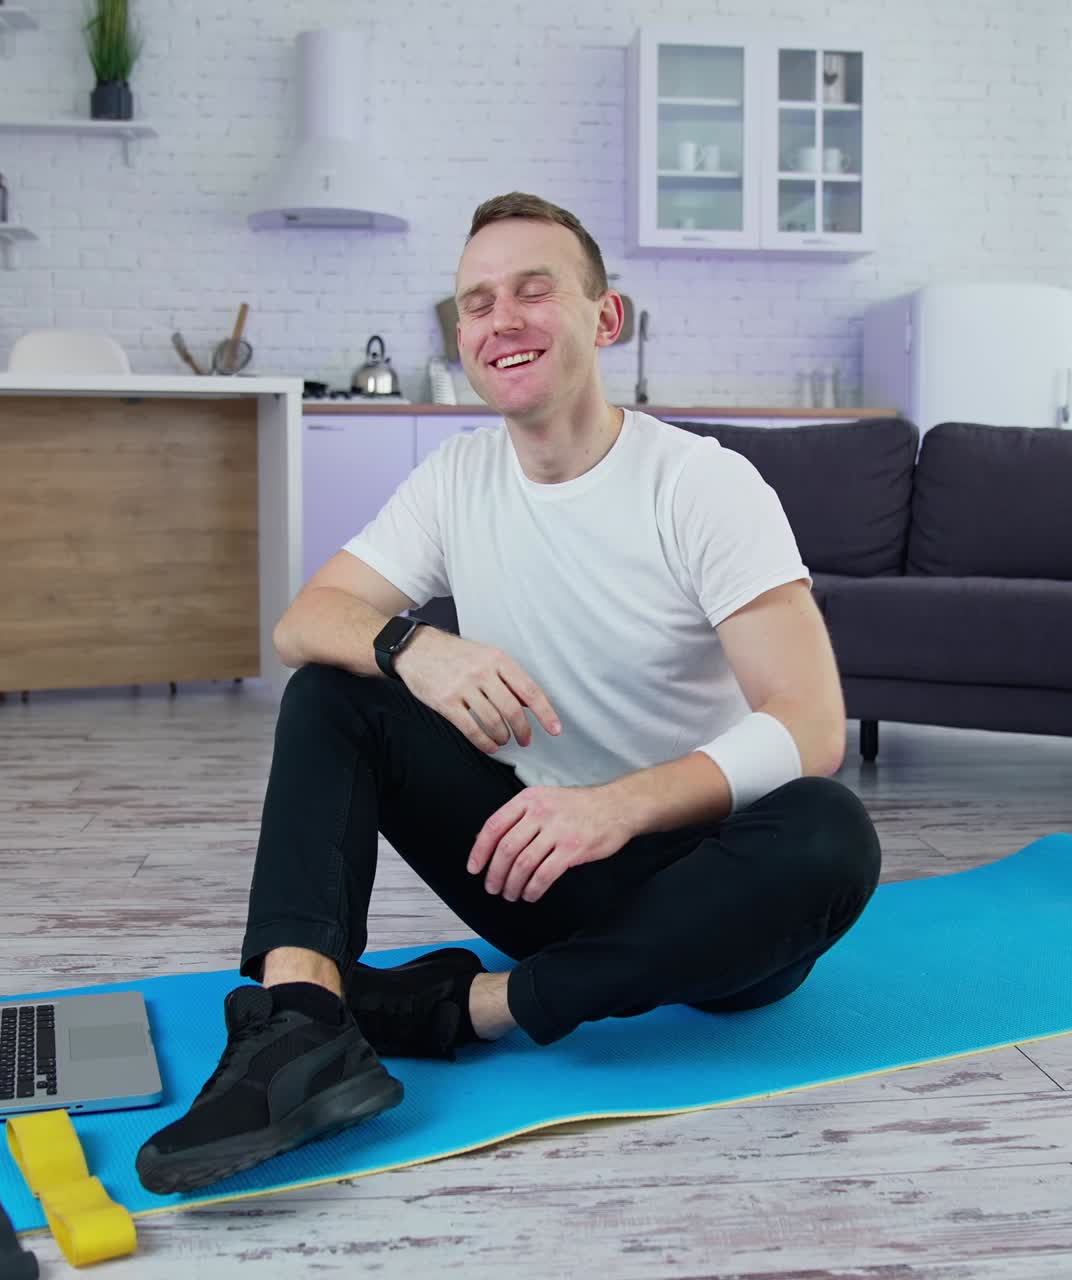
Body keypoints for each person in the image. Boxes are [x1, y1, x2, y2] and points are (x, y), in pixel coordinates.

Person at [136, 192, 882, 1195]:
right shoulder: (456, 477)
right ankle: (299, 1027)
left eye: (533, 291)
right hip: (535, 867)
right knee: (331, 693)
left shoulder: (703, 485)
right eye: (477, 302)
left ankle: (468, 1008)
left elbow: (811, 723)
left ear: (604, 318)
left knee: (831, 831)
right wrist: (414, 647)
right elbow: (303, 621)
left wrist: (615, 807)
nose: (501, 320)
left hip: (711, 899)